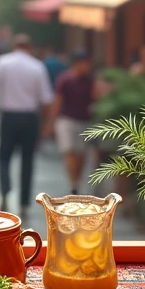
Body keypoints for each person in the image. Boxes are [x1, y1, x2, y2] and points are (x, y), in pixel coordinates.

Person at [0, 34, 54, 212]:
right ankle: (24, 202)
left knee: (4, 156)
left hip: (9, 117)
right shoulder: (37, 66)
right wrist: (47, 122)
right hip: (29, 118)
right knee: (27, 159)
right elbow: (46, 99)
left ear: (15, 46)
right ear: (29, 47)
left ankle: (5, 192)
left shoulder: (3, 63)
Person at [45, 51, 98, 195]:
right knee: (69, 151)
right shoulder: (65, 80)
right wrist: (51, 122)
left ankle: (77, 181)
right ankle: (73, 183)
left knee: (81, 154)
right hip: (66, 120)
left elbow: (95, 98)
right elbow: (58, 101)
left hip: (84, 120)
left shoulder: (90, 80)